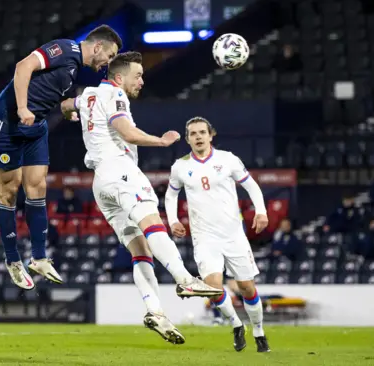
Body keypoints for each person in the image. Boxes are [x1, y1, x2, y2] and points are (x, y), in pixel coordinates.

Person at [64, 51, 223, 345]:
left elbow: (64, 104)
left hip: (101, 183)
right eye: (137, 75)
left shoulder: (89, 94)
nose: (142, 80)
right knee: (153, 224)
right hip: (121, 170)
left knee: (141, 250)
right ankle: (185, 280)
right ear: (120, 77)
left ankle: (156, 312)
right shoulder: (116, 95)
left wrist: (74, 114)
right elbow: (128, 132)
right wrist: (160, 141)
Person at [0, 25, 122, 290]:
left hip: (36, 126)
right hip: (9, 121)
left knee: (38, 187)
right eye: (110, 55)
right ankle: (13, 259)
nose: (108, 62)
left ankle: (39, 257)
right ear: (97, 47)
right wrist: (23, 107)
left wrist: (66, 109)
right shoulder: (64, 48)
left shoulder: (74, 71)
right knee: (9, 190)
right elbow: (23, 67)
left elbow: (50, 91)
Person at [164, 117, 271, 353]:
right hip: (204, 238)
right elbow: (171, 195)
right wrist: (173, 220)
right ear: (188, 138)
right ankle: (236, 324)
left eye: (202, 132)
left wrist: (261, 212)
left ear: (211, 135)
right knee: (213, 287)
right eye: (193, 133)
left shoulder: (228, 159)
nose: (198, 137)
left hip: (233, 234)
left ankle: (259, 332)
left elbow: (251, 185)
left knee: (247, 288)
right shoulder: (180, 166)